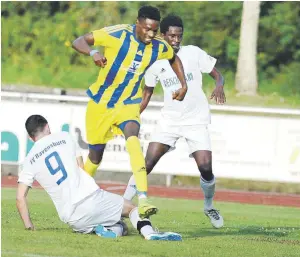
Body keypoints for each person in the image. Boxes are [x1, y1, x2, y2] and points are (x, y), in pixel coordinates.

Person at [71, 6, 188, 218]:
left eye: (154, 30)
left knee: (133, 138)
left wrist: (183, 84)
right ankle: (76, 197)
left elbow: (173, 58)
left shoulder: (158, 46)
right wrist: (93, 51)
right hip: (101, 104)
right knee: (95, 157)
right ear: (138, 23)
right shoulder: (116, 34)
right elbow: (78, 41)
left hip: (129, 103)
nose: (151, 35)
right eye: (147, 30)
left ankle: (143, 199)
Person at [123, 15, 225, 228]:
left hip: (196, 120)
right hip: (169, 122)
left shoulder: (194, 53)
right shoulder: (154, 60)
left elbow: (217, 74)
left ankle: (209, 206)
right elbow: (147, 94)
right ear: (163, 35)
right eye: (172, 36)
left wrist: (219, 85)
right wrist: (132, 115)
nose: (176, 40)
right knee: (146, 164)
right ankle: (123, 204)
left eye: (179, 36)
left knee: (206, 167)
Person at [16, 115, 182, 241]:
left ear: (31, 138)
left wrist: (29, 227)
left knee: (121, 227)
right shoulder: (64, 137)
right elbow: (82, 169)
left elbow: (20, 198)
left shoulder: (29, 160)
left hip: (74, 219)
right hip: (90, 199)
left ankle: (104, 231)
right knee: (131, 208)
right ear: (48, 127)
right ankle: (150, 234)